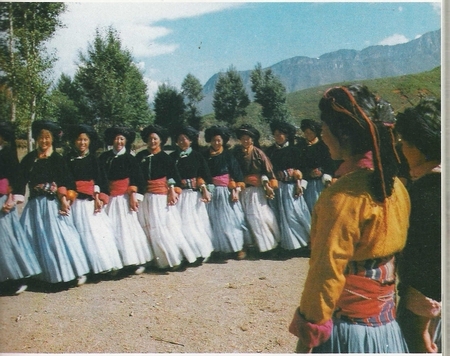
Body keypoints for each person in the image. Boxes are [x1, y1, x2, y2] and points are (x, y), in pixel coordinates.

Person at [288, 84, 410, 353]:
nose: (322, 135)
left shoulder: (341, 198)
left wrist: (308, 334)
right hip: (385, 327)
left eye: (324, 128)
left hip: (348, 332)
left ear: (342, 133)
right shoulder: (395, 187)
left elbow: (325, 273)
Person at [395, 97, 441, 353]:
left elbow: (427, 263)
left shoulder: (425, 194)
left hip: (424, 311)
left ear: (420, 148)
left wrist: (420, 327)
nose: (401, 148)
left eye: (405, 143)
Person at [19, 120, 89, 286]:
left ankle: (70, 273)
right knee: (31, 236)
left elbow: (66, 180)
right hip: (35, 205)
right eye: (41, 138)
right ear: (36, 139)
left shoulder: (57, 159)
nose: (44, 141)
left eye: (47, 138)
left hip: (53, 203)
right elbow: (19, 180)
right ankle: (39, 276)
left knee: (59, 237)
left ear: (52, 140)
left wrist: (64, 199)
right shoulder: (29, 159)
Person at [136, 124, 197, 270]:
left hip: (160, 197)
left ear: (161, 141)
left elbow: (173, 177)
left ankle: (173, 259)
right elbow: (136, 176)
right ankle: (154, 259)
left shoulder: (165, 158)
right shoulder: (140, 157)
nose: (152, 142)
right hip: (145, 197)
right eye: (150, 139)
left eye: (155, 139)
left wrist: (172, 190)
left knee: (162, 228)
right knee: (148, 228)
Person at [65, 124, 123, 275]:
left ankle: (104, 264)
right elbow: (65, 179)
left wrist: (98, 196)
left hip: (90, 202)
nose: (82, 143)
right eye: (79, 140)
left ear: (89, 141)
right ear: (74, 141)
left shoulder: (94, 160)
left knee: (96, 234)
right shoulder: (68, 159)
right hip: (74, 202)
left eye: (85, 140)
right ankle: (83, 268)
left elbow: (100, 180)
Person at [98, 126, 152, 275]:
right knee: (110, 230)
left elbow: (138, 179)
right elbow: (101, 178)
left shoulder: (130, 159)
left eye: (121, 139)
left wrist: (134, 195)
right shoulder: (104, 158)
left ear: (126, 141)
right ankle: (116, 262)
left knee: (128, 229)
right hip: (109, 198)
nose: (119, 142)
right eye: (116, 138)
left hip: (124, 198)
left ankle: (137, 261)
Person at [0, 122, 41, 294]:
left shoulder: (7, 154)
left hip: (3, 202)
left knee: (7, 240)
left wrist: (12, 198)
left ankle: (19, 276)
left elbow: (17, 178)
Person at [203, 125, 250, 260]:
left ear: (223, 141)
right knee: (215, 221)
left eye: (219, 140)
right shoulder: (205, 156)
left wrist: (236, 189)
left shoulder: (229, 156)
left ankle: (239, 248)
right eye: (213, 140)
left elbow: (237, 175)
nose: (216, 143)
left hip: (227, 192)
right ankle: (219, 249)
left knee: (232, 220)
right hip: (211, 192)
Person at [233, 124, 281, 255]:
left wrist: (266, 182)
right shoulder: (236, 153)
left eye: (248, 138)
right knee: (244, 218)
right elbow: (233, 170)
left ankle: (268, 245)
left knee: (259, 217)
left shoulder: (258, 153)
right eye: (243, 138)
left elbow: (269, 170)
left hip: (256, 190)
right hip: (243, 190)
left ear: (252, 140)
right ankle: (249, 245)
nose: (245, 141)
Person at [169, 125, 214, 263]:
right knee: (181, 225)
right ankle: (186, 254)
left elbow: (205, 174)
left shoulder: (197, 156)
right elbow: (169, 175)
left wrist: (205, 189)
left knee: (195, 225)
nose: (183, 142)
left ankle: (201, 252)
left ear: (191, 141)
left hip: (194, 196)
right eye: (180, 139)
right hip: (179, 195)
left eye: (186, 139)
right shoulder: (172, 157)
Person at [265, 120, 311, 253]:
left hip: (292, 187)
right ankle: (287, 245)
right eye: (275, 134)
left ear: (286, 136)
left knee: (295, 214)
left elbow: (302, 169)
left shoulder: (295, 150)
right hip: (277, 187)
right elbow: (267, 169)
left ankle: (305, 242)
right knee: (279, 215)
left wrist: (299, 183)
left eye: (281, 134)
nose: (278, 136)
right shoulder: (270, 152)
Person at [297, 119, 336, 213]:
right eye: (306, 133)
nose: (308, 135)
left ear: (316, 133)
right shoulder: (301, 147)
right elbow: (299, 164)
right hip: (308, 182)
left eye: (310, 133)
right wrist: (308, 172)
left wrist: (321, 171)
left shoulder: (323, 146)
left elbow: (329, 163)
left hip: (321, 182)